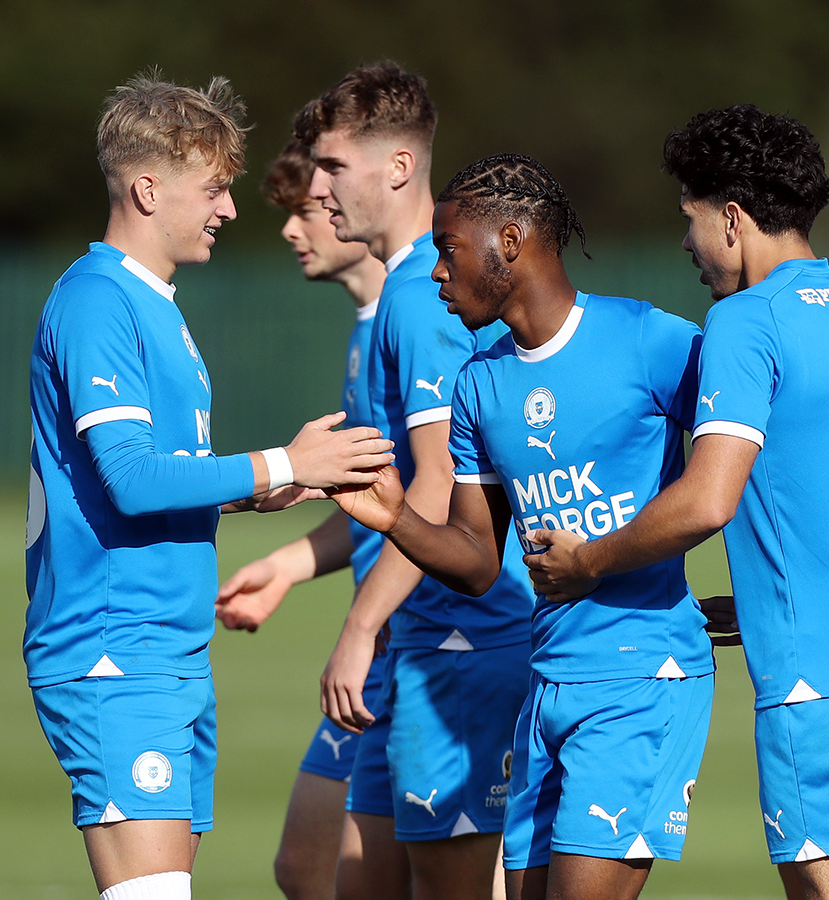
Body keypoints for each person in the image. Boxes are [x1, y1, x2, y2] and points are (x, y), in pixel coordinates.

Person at [525, 106, 829, 900]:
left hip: (822, 668)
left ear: (731, 217)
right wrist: (780, 585)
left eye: (689, 221)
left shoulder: (746, 320)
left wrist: (588, 562)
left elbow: (706, 500)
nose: (686, 244)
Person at [24, 74, 393, 900]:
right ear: (147, 188)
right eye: (215, 188)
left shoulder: (156, 306)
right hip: (114, 652)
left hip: (170, 650)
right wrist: (288, 464)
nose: (228, 210)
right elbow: (128, 478)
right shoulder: (98, 302)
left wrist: (256, 494)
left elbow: (159, 478)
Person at [330, 152, 717, 900]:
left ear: (509, 241)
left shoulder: (651, 341)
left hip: (641, 678)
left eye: (447, 249)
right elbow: (478, 560)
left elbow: (738, 458)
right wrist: (396, 517)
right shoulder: (477, 383)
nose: (437, 272)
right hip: (546, 685)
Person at [297, 62, 534, 900]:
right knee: (347, 885)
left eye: (332, 169)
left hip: (458, 644)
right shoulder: (403, 291)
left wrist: (361, 627)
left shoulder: (422, 296)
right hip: (423, 642)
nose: (317, 192)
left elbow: (436, 486)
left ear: (398, 168)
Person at [213, 136, 404, 900]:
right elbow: (382, 502)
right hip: (386, 639)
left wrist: (364, 625)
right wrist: (289, 565)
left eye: (306, 212)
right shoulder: (368, 327)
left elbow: (434, 504)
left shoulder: (415, 318)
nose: (292, 231)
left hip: (426, 642)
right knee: (306, 866)